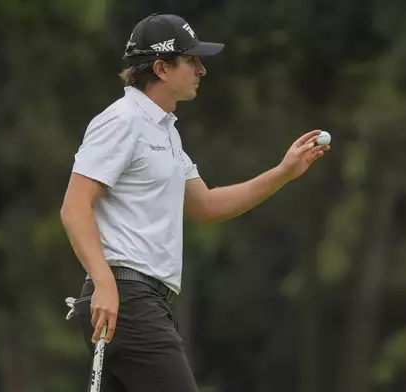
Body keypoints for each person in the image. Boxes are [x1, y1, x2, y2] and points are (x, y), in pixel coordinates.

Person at [60, 13, 330, 392]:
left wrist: (283, 172)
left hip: (147, 302)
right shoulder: (122, 121)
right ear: (161, 68)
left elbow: (206, 206)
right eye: (192, 61)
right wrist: (104, 283)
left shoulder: (167, 132)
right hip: (126, 298)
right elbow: (74, 207)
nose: (202, 70)